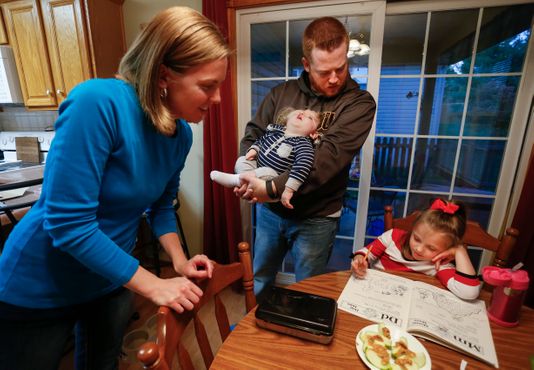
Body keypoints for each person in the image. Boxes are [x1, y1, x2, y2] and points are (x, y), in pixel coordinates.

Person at [0, 7, 230, 370]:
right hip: (40, 283)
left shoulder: (180, 134)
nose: (217, 99)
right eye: (207, 86)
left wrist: (180, 260)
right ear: (164, 75)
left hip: (110, 278)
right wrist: (153, 284)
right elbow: (67, 224)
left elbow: (162, 207)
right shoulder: (98, 102)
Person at [234, 17, 376, 299]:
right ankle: (255, 333)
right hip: (270, 214)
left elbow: (326, 161)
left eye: (341, 67)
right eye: (324, 71)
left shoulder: (359, 103)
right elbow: (254, 136)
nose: (335, 78)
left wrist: (270, 188)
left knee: (308, 290)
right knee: (260, 277)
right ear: (307, 64)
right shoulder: (280, 93)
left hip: (318, 218)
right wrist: (247, 173)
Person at [351, 199, 481, 300]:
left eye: (431, 248)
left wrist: (459, 250)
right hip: (373, 294)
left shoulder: (439, 264)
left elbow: (469, 292)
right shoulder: (393, 237)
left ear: (446, 250)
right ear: (412, 229)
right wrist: (360, 260)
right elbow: (365, 253)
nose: (419, 249)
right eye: (417, 238)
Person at [210, 107, 320, 209]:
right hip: (256, 169)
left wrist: (289, 190)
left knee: (264, 171)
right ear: (287, 121)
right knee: (242, 160)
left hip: (271, 179)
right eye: (300, 111)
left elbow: (302, 167)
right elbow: (261, 141)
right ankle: (244, 181)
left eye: (309, 117)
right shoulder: (275, 132)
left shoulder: (303, 144)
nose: (302, 113)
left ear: (312, 133)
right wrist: (254, 150)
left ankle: (235, 180)